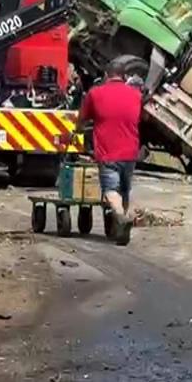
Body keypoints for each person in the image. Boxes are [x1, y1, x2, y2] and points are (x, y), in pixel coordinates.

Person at [77, 57, 143, 245]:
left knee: (110, 190)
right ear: (124, 76)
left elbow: (82, 118)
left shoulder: (96, 94)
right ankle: (121, 230)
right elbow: (139, 117)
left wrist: (78, 129)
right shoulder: (136, 95)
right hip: (130, 152)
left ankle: (121, 218)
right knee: (124, 189)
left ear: (106, 75)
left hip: (108, 152)